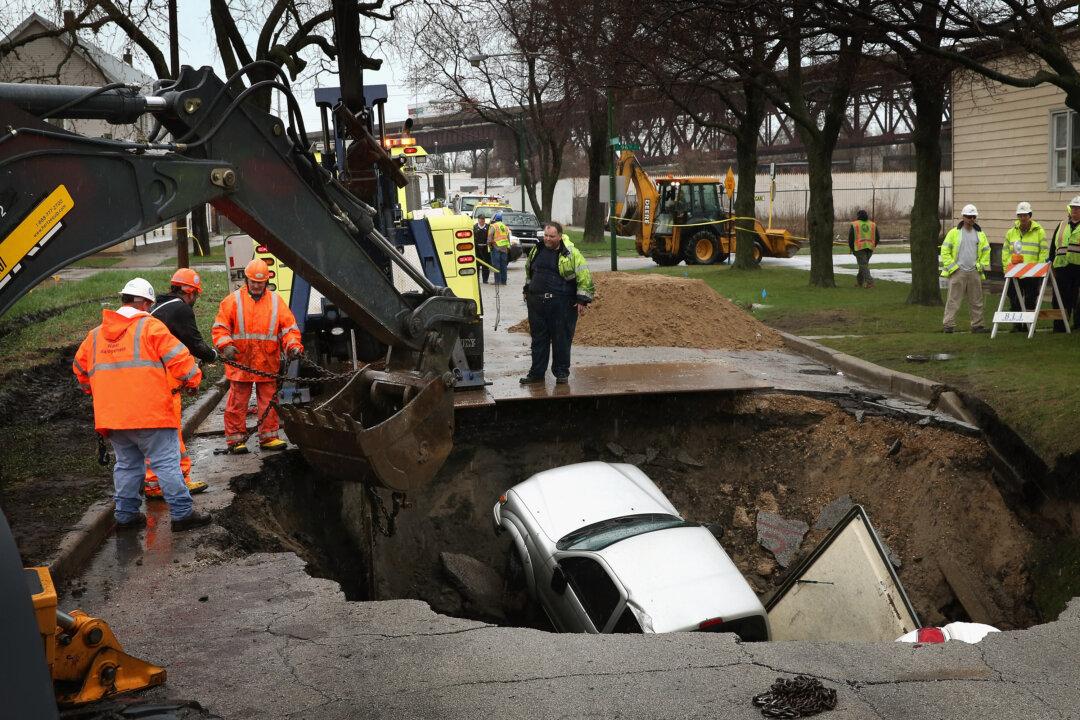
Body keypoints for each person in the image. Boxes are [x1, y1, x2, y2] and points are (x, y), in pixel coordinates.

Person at [72, 278, 211, 531]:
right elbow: (183, 362)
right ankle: (182, 514)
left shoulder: (95, 335)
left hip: (114, 418)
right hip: (151, 414)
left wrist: (95, 391)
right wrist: (193, 382)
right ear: (146, 303)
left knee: (126, 466)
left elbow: (80, 370)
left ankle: (125, 516)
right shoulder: (151, 327)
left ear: (123, 300)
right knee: (166, 464)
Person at [212, 259, 303, 454]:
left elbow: (288, 330)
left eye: (260, 283)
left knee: (268, 400)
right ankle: (236, 440)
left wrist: (293, 346)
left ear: (266, 281)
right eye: (253, 281)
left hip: (266, 360)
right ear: (247, 280)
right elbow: (220, 328)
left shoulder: (276, 302)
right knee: (238, 401)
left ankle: (269, 437)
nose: (256, 285)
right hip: (241, 361)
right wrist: (225, 346)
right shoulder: (232, 301)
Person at [142, 268, 217, 499]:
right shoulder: (180, 309)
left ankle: (153, 484)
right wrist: (213, 356)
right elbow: (194, 344)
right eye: (196, 295)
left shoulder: (158, 307)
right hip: (163, 382)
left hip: (147, 378)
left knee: (153, 435)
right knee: (170, 433)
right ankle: (181, 481)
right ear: (191, 292)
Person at [519, 221, 594, 385]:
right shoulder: (537, 250)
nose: (547, 239)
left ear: (560, 236)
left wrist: (582, 299)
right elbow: (530, 271)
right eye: (545, 235)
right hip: (537, 304)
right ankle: (536, 373)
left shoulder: (571, 253)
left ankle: (561, 373)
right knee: (538, 340)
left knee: (561, 340)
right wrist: (527, 289)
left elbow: (584, 276)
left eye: (551, 236)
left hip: (562, 304)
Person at [940, 204, 991, 334]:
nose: (971, 219)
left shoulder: (980, 234)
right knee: (953, 300)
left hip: (974, 272)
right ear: (963, 217)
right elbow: (945, 251)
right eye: (969, 216)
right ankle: (948, 325)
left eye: (973, 217)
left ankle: (977, 325)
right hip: (958, 272)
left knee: (977, 301)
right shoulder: (954, 233)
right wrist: (953, 268)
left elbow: (986, 251)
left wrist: (980, 266)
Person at [1002, 202, 1048, 331]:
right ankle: (1017, 325)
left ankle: (1028, 326)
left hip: (1032, 272)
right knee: (1014, 298)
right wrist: (1007, 268)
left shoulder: (1039, 232)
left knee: (1030, 299)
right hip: (1014, 272)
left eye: (1025, 215)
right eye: (1020, 215)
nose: (1022, 218)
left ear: (1030, 216)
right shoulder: (1011, 233)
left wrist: (1039, 269)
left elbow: (1043, 251)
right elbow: (1005, 251)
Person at [1049, 196, 1080, 332]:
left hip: (1078, 267)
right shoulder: (1062, 225)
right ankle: (1059, 326)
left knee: (1077, 299)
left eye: (1077, 208)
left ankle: (1078, 325)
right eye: (1073, 207)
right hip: (1062, 268)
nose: (1074, 210)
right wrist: (1051, 263)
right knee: (1060, 297)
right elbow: (1052, 247)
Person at [848, 209, 880, 288]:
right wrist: (873, 245)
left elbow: (851, 238)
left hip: (859, 248)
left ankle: (870, 282)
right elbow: (878, 237)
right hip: (870, 248)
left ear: (858, 216)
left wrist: (852, 248)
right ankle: (859, 283)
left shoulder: (855, 224)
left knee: (863, 265)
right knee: (863, 265)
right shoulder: (872, 224)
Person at [488, 211, 511, 285]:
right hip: (504, 249)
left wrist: (489, 244)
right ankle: (504, 281)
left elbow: (490, 236)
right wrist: (508, 248)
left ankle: (497, 281)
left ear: (495, 219)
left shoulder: (494, 226)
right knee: (503, 266)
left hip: (496, 248)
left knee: (496, 265)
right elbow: (508, 238)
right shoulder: (505, 227)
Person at [473, 213, 492, 284]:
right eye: (481, 219)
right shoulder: (474, 227)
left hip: (485, 249)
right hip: (477, 249)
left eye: (483, 219)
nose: (482, 220)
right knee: (476, 265)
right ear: (478, 220)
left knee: (486, 265)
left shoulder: (488, 227)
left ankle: (485, 280)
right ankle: (477, 280)